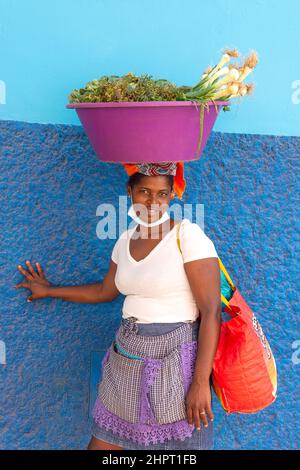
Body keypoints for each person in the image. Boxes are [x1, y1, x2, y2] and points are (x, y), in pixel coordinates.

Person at [15, 161, 221, 451]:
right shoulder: (124, 241)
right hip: (126, 357)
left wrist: (200, 381)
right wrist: (49, 290)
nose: (152, 202)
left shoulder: (187, 237)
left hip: (175, 362)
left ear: (172, 195)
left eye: (162, 194)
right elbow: (104, 290)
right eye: (144, 192)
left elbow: (212, 313)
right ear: (130, 191)